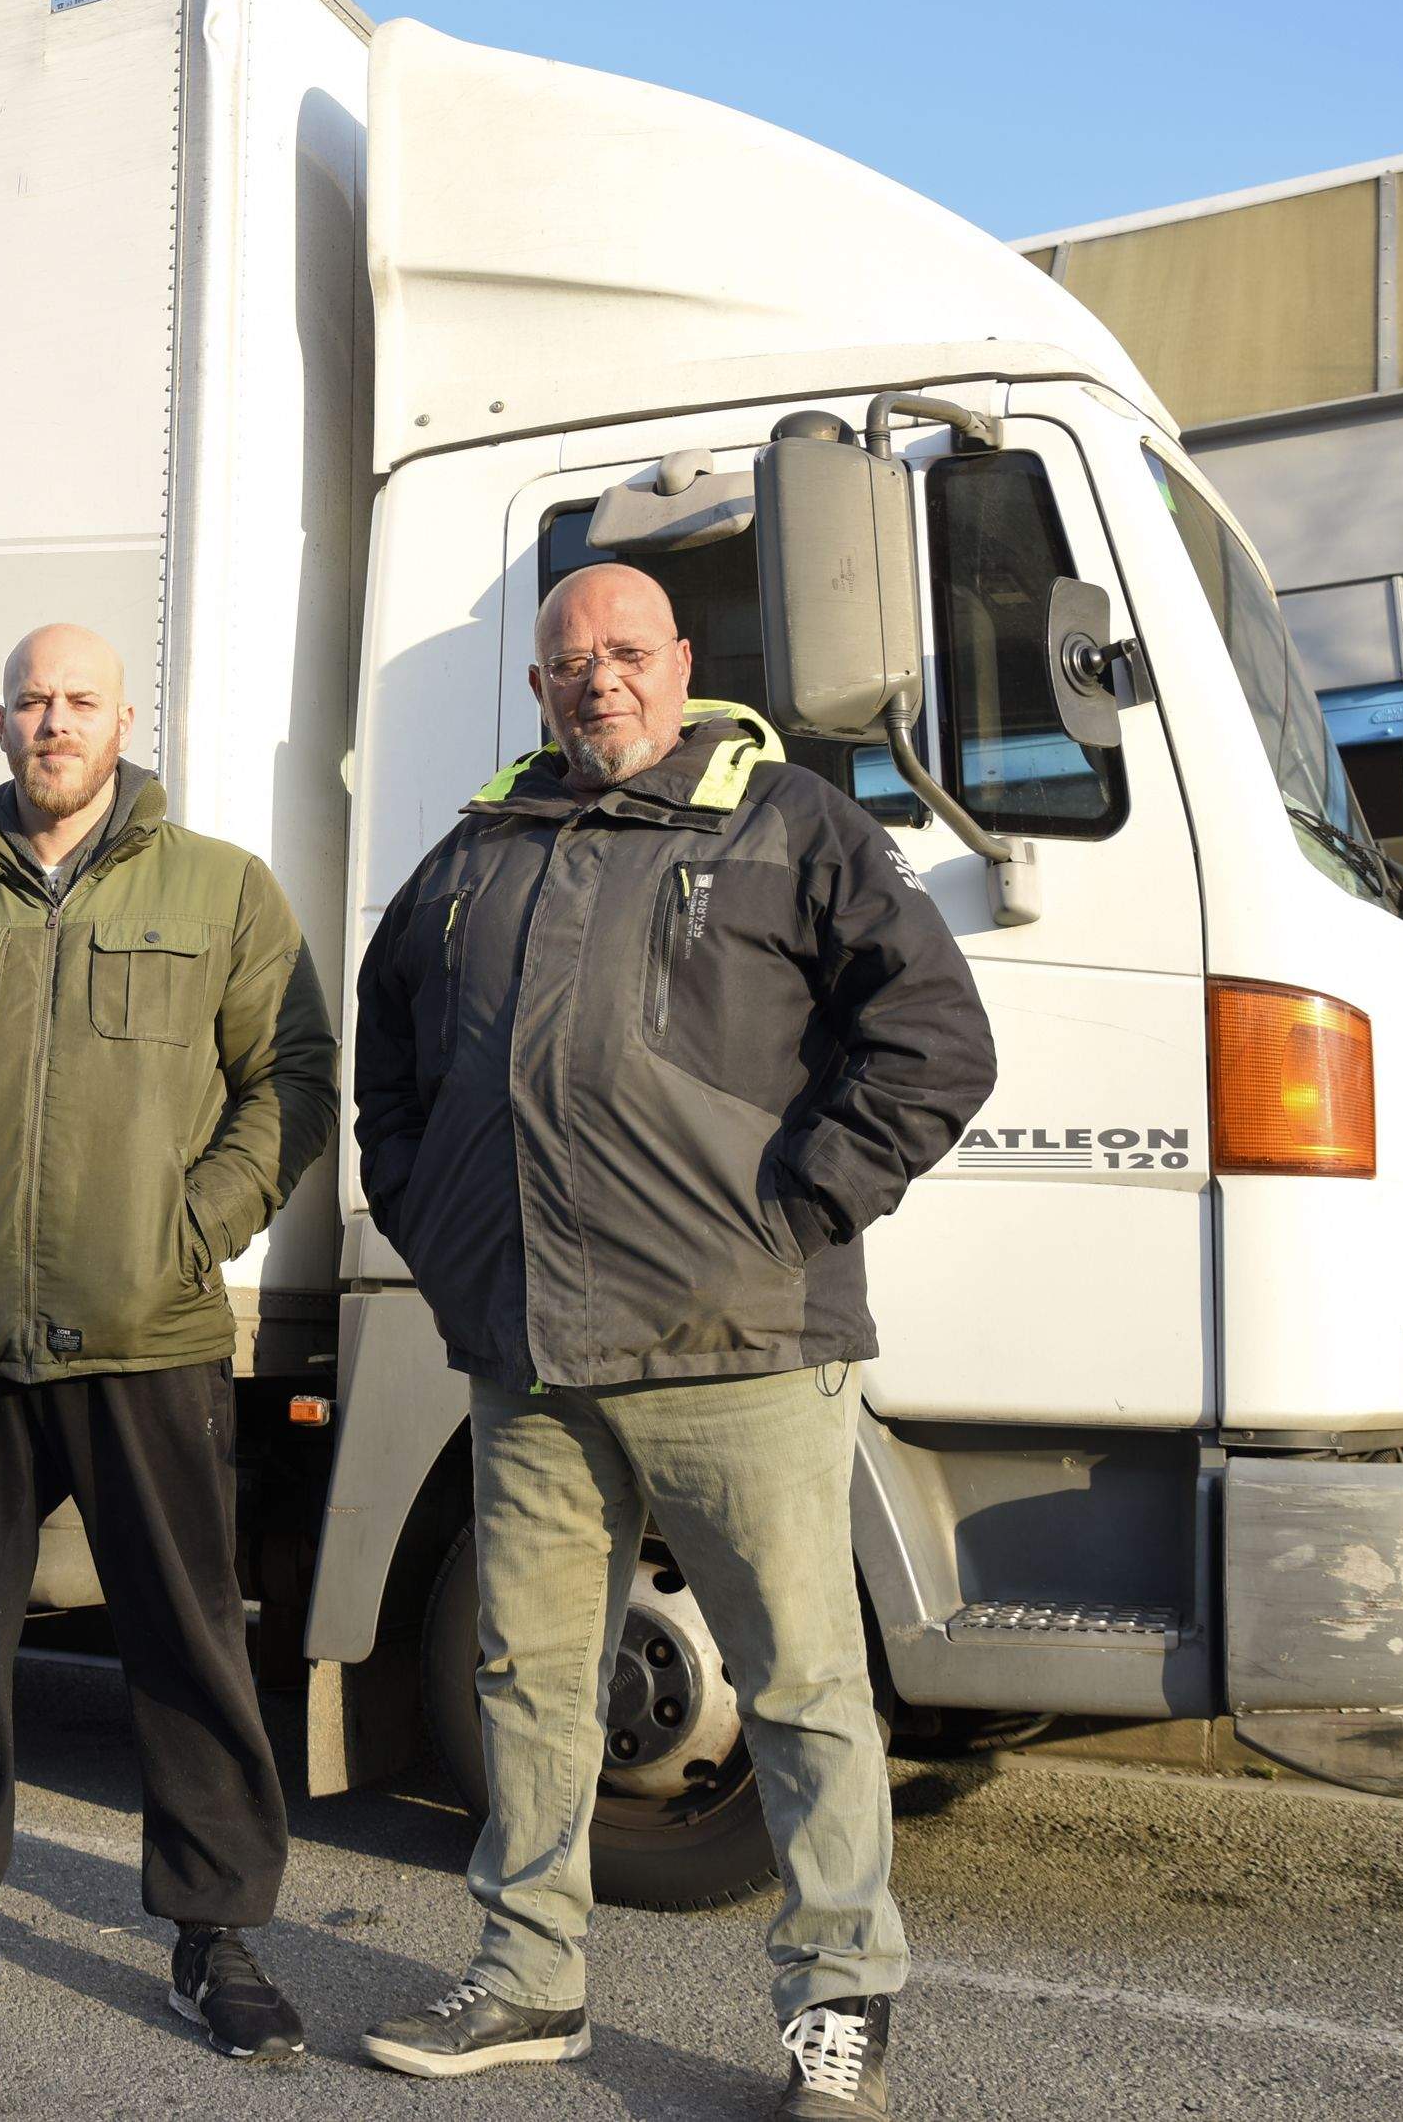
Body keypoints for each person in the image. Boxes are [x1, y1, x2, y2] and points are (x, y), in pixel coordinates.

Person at [350, 562, 993, 2119]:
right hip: (533, 1353)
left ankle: (838, 2004)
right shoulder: (474, 854)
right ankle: (529, 1973)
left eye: (629, 652)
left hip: (740, 1342)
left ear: (682, 661)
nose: (603, 680)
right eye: (573, 662)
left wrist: (799, 1209)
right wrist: (448, 1241)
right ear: (539, 688)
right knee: (527, 1681)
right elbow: (393, 1079)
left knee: (800, 1683)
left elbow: (935, 1036)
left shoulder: (788, 821)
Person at [0, 621, 338, 2065]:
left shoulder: (221, 888)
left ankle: (216, 1936)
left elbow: (293, 1075)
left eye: (79, 700)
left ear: (123, 721)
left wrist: (192, 1229)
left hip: (145, 1334)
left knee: (185, 1638)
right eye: (31, 700)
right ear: (0, 723)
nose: (54, 721)